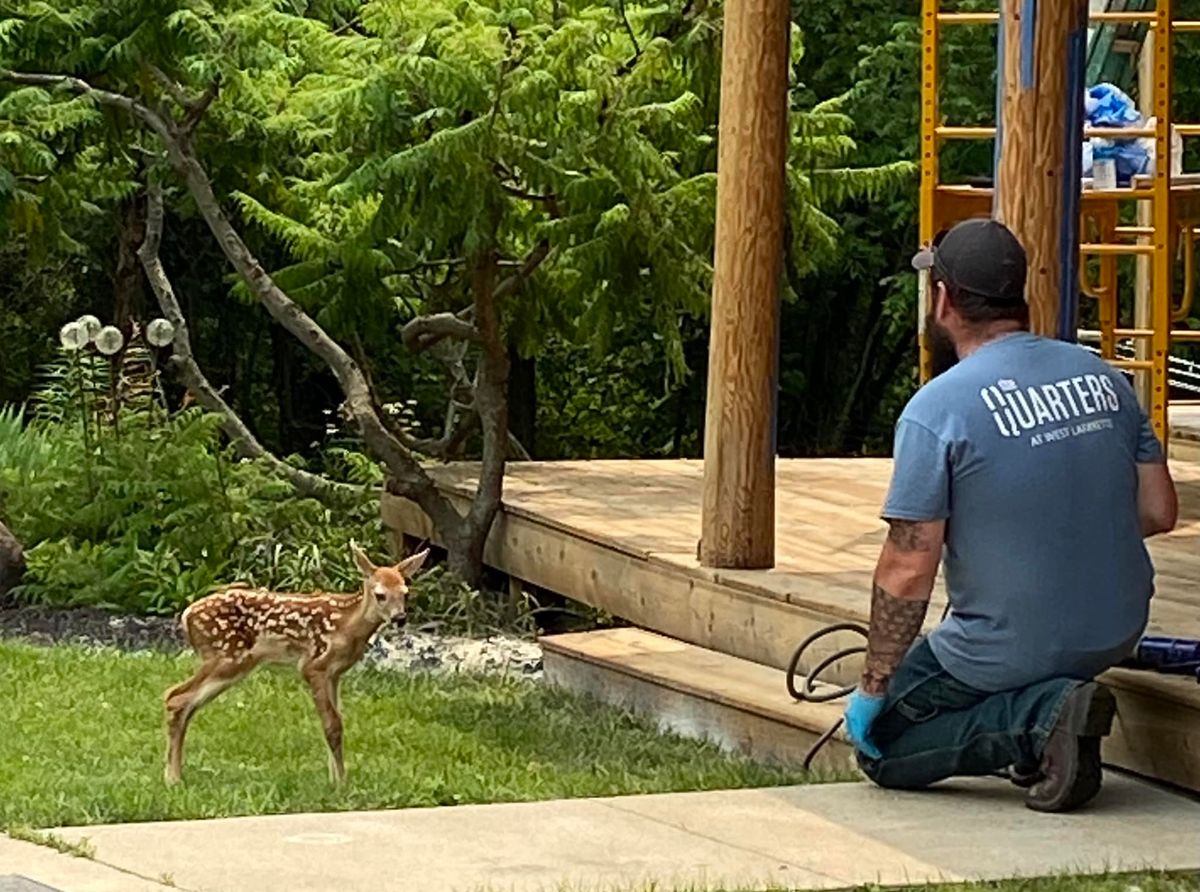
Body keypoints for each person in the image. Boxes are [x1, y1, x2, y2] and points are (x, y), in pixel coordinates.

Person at [842, 217, 1179, 813]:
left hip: (1007, 645)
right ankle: (1051, 713)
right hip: (1115, 629)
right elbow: (1158, 511)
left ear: (942, 298)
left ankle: (1039, 720)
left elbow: (907, 570)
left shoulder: (937, 409)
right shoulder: (1106, 379)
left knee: (886, 750)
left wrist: (873, 687)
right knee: (997, 667)